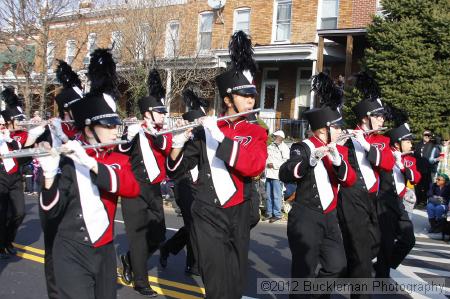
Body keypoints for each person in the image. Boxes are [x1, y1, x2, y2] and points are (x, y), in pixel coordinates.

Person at [166, 31, 268, 299]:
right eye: (245, 96)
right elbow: (174, 170)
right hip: (207, 212)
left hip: (239, 211)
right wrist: (178, 141)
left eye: (252, 96)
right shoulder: (205, 130)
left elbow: (254, 167)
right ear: (227, 99)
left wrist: (220, 137)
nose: (251, 101)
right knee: (217, 285)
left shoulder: (256, 131)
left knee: (235, 283)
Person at [36, 48, 140, 299]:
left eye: (117, 124)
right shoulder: (68, 157)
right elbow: (50, 213)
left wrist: (93, 165)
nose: (116, 130)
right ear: (89, 127)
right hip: (70, 248)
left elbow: (131, 188)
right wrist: (50, 174)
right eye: (109, 125)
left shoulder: (116, 158)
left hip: (104, 250)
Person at [279, 72, 356, 299]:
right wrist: (311, 160)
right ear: (323, 129)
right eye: (337, 127)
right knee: (303, 273)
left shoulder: (339, 150)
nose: (341, 131)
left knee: (337, 266)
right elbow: (286, 172)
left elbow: (349, 180)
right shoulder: (302, 147)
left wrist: (336, 160)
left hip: (330, 216)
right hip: (305, 215)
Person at [337, 72, 394, 299]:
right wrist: (341, 143)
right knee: (361, 254)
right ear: (365, 118)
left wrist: (368, 147)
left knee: (376, 243)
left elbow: (387, 163)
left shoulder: (381, 140)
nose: (382, 120)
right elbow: (337, 167)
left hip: (372, 200)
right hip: (350, 198)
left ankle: (338, 272)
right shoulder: (347, 139)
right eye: (379, 116)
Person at [118, 69, 172, 297]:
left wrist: (153, 133)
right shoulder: (132, 130)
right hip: (133, 189)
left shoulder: (164, 132)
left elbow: (166, 148)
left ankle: (130, 259)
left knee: (158, 235)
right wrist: (127, 137)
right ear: (148, 113)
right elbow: (119, 153)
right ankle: (141, 281)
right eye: (160, 112)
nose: (164, 115)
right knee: (138, 236)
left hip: (153, 189)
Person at [159, 88, 208, 276]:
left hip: (199, 187)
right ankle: (193, 264)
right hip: (184, 185)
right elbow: (174, 165)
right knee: (194, 224)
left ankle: (168, 248)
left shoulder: (203, 138)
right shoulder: (184, 138)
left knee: (194, 226)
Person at [0, 86, 45, 259]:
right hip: (1, 176)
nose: (20, 122)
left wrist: (42, 127)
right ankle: (3, 244)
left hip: (15, 177)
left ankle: (7, 240)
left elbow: (30, 143)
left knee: (19, 212)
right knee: (2, 213)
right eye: (16, 119)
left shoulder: (19, 137)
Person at [375, 112, 420, 278]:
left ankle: (385, 265)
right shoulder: (385, 153)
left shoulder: (409, 159)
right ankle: (382, 274)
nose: (411, 144)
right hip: (383, 202)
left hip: (399, 203)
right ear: (397, 143)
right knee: (385, 241)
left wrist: (401, 165)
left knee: (409, 240)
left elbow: (415, 178)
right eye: (407, 141)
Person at [265, 130, 290, 223]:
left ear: (280, 137)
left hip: (277, 174)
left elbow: (286, 162)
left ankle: (277, 214)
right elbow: (266, 158)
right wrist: (267, 165)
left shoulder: (284, 148)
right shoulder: (270, 146)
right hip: (268, 173)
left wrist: (274, 165)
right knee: (268, 195)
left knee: (276, 195)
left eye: (275, 136)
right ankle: (269, 213)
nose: (274, 137)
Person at [414, 130, 436, 206]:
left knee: (426, 186)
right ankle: (418, 201)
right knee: (418, 186)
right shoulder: (417, 144)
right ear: (422, 135)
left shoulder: (433, 145)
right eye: (425, 135)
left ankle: (424, 201)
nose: (426, 137)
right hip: (418, 169)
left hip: (427, 169)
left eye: (428, 135)